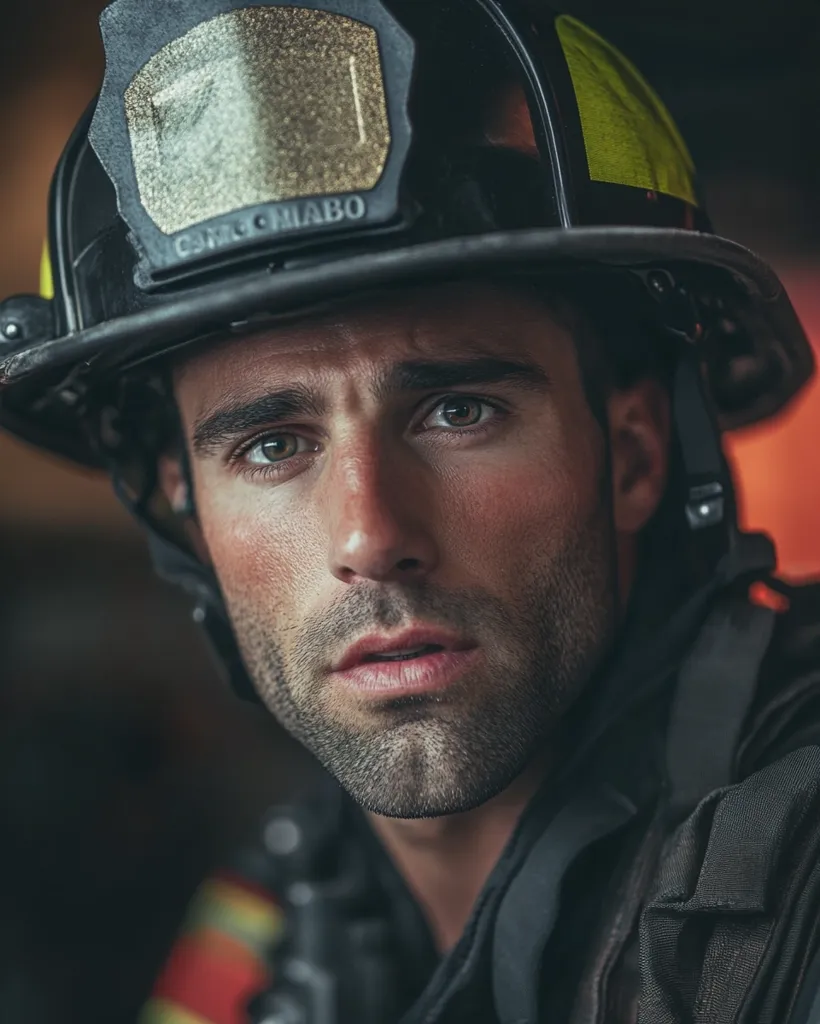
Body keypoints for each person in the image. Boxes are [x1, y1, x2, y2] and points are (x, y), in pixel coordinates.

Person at [1, 1, 819, 1021]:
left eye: (457, 410)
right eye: (270, 445)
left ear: (636, 456)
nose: (371, 535)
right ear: (185, 514)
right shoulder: (263, 937)